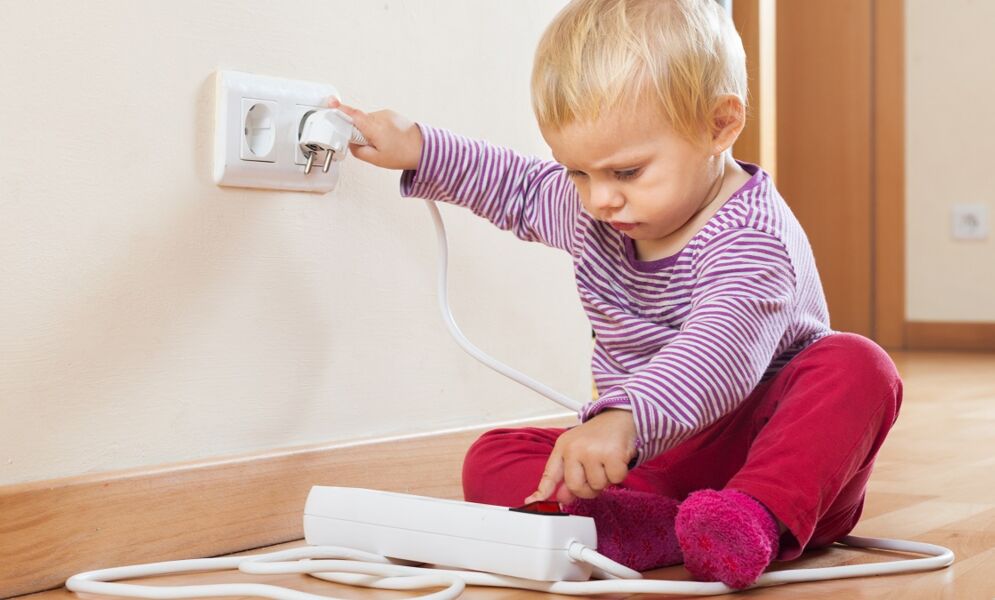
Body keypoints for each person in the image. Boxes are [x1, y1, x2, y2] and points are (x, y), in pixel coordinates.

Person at [329, 0, 902, 589]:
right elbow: (518, 186)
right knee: (493, 456)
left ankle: (748, 520)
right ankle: (657, 528)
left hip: (774, 460)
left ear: (719, 126)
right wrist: (418, 147)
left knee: (857, 365)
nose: (599, 198)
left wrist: (626, 418)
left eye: (626, 173)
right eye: (578, 172)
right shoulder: (599, 212)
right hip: (656, 457)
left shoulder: (752, 240)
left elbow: (719, 352)